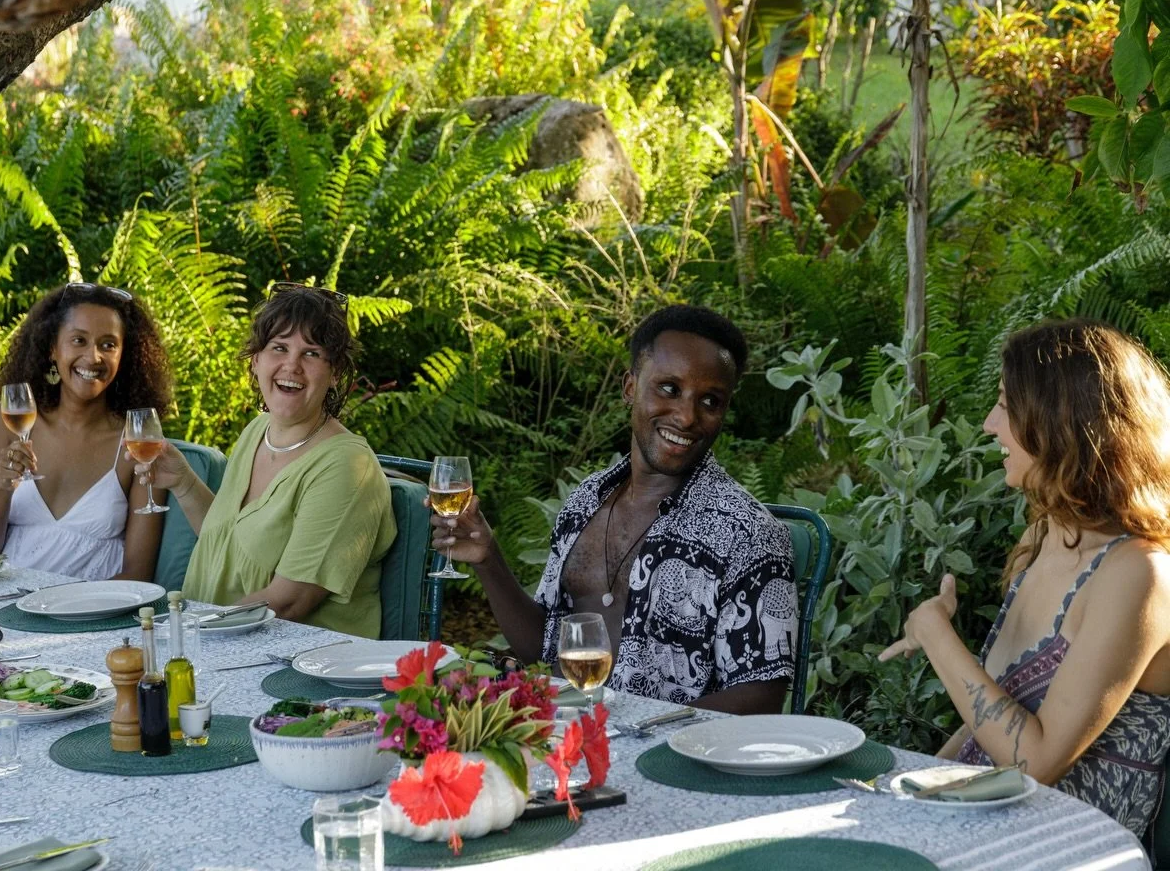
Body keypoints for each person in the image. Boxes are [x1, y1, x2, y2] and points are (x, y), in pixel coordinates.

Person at [883, 319, 1170, 836]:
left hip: (1067, 843)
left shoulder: (1138, 573)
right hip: (987, 818)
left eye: (1007, 406)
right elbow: (991, 722)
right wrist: (907, 782)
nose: (991, 423)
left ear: (1064, 423)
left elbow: (1034, 762)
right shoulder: (1046, 537)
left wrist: (935, 635)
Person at [433, 305, 796, 712]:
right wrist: (488, 559)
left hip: (669, 760)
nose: (687, 416)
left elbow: (762, 694)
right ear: (630, 387)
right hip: (564, 737)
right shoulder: (585, 503)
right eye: (669, 389)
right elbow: (544, 649)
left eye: (710, 401)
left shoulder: (747, 533)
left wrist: (647, 737)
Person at [135, 283, 396, 638]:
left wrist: (183, 633)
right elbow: (228, 543)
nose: (292, 365)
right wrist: (183, 482)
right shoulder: (257, 432)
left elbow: (287, 603)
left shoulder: (346, 467)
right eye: (279, 347)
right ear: (256, 360)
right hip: (220, 647)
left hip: (291, 667)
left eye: (312, 354)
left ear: (335, 373)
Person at [0, 283, 171, 581]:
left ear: (123, 355)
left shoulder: (137, 441)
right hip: (4, 604)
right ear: (53, 347)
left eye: (108, 345)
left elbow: (138, 576)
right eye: (79, 340)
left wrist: (61, 606)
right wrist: (4, 488)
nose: (93, 357)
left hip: (91, 614)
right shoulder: (8, 422)